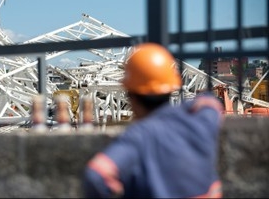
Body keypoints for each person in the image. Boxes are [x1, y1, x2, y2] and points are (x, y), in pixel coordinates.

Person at [82, 42, 224, 198]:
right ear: (172, 88)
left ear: (132, 98)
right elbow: (210, 102)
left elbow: (96, 175)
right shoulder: (200, 122)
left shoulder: (138, 137)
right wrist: (182, 109)